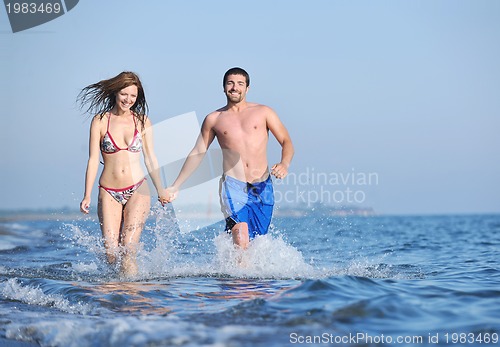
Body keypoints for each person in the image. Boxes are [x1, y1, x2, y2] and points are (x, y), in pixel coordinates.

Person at [166, 67, 294, 249]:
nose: (235, 87)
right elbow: (198, 152)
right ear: (224, 87)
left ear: (247, 88)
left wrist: (284, 163)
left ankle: (238, 274)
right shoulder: (214, 119)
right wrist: (176, 185)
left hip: (262, 184)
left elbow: (286, 141)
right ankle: (239, 277)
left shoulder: (264, 112)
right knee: (241, 235)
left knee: (258, 243)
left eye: (240, 84)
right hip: (233, 184)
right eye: (230, 83)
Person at [78, 71, 168, 277]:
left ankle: (132, 295)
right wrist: (87, 194)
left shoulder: (142, 121)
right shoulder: (100, 120)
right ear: (115, 93)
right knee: (111, 252)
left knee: (128, 248)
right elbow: (92, 159)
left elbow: (151, 158)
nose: (128, 100)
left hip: (138, 188)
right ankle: (115, 295)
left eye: (133, 96)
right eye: (124, 94)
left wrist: (161, 189)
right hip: (108, 190)